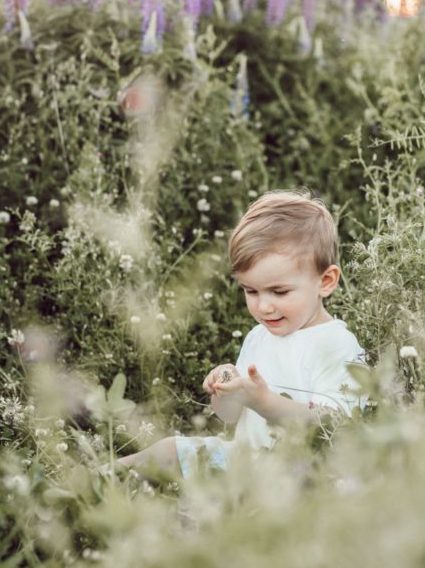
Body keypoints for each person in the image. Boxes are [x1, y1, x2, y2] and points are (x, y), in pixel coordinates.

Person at [114, 189, 366, 479]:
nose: (264, 306)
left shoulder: (334, 344)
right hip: (247, 460)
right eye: (251, 291)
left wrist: (264, 401)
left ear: (326, 281)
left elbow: (335, 425)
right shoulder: (259, 337)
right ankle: (89, 484)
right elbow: (231, 418)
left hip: (305, 473)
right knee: (170, 450)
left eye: (279, 291)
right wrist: (226, 392)